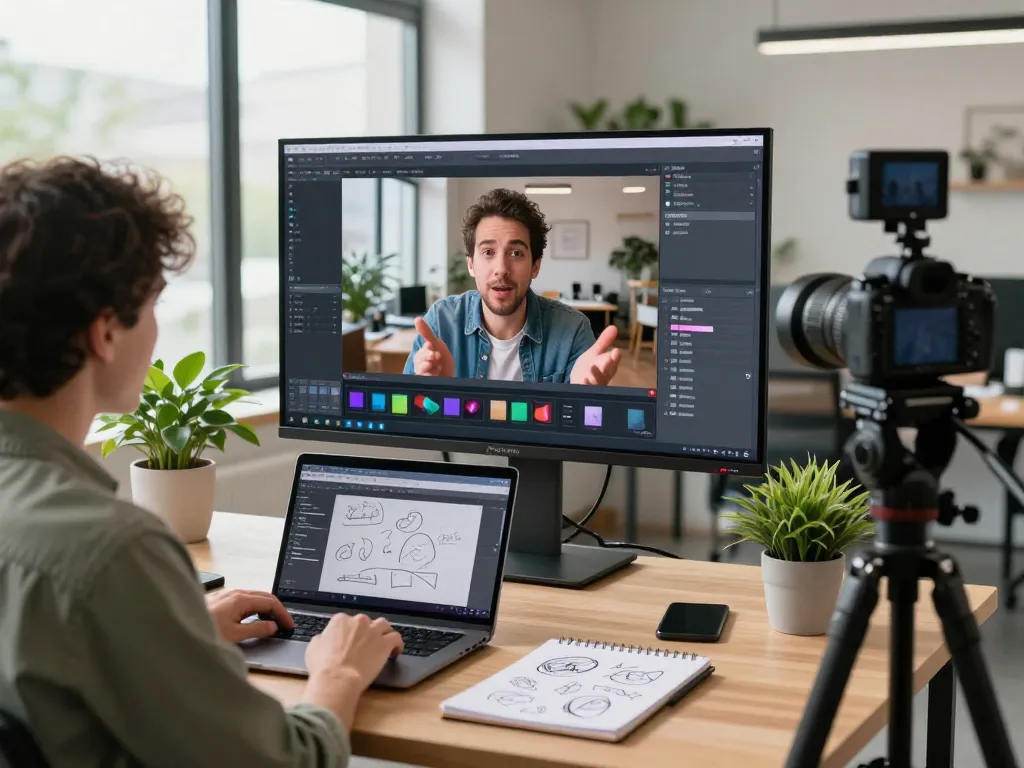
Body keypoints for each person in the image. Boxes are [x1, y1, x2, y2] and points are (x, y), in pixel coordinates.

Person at [0, 156, 402, 767]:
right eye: (154, 305)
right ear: (104, 333)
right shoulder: (109, 550)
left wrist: (169, 638)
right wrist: (339, 672)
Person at [403, 188, 622, 384]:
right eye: (488, 252)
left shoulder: (573, 330)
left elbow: (581, 422)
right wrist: (433, 392)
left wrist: (581, 398)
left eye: (516, 253)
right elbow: (408, 419)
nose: (501, 269)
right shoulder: (441, 323)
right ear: (471, 265)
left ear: (535, 266)